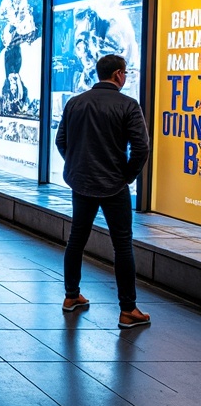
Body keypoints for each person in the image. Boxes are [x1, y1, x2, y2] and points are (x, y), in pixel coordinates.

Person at [55, 53, 151, 329]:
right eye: (126, 73)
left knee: (76, 239)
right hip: (113, 186)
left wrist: (77, 164)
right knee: (122, 245)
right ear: (119, 74)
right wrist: (127, 176)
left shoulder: (75, 102)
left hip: (81, 183)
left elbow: (61, 140)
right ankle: (127, 310)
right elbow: (141, 147)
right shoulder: (128, 105)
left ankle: (71, 296)